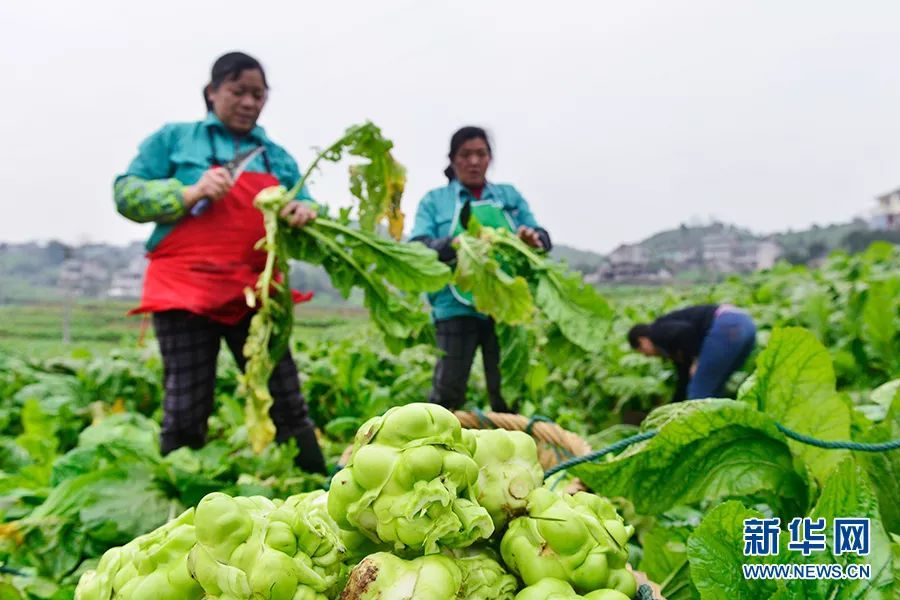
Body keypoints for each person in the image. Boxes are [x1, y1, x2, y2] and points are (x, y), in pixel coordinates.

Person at [114, 51, 326, 474]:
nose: (249, 103)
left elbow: (304, 201)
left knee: (286, 398)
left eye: (258, 95)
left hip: (257, 293)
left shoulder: (274, 156)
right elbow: (125, 193)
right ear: (212, 93)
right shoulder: (174, 140)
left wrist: (303, 211)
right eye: (238, 92)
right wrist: (188, 192)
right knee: (187, 404)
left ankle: (320, 486)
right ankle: (175, 502)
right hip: (184, 293)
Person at [410, 126, 552, 413]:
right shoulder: (435, 201)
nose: (474, 162)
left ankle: (510, 450)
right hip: (455, 306)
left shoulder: (508, 196)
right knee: (448, 392)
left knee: (507, 392)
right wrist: (457, 244)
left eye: (481, 154)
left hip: (505, 307)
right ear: (452, 159)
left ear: (490, 158)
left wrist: (532, 239)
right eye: (465, 155)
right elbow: (419, 247)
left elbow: (542, 237)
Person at [627, 304, 757, 403]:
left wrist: (696, 358)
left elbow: (685, 331)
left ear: (642, 341)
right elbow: (684, 380)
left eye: (642, 351)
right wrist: (671, 407)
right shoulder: (675, 346)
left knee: (698, 396)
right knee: (714, 390)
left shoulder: (657, 332)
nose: (647, 356)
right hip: (746, 324)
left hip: (727, 325)